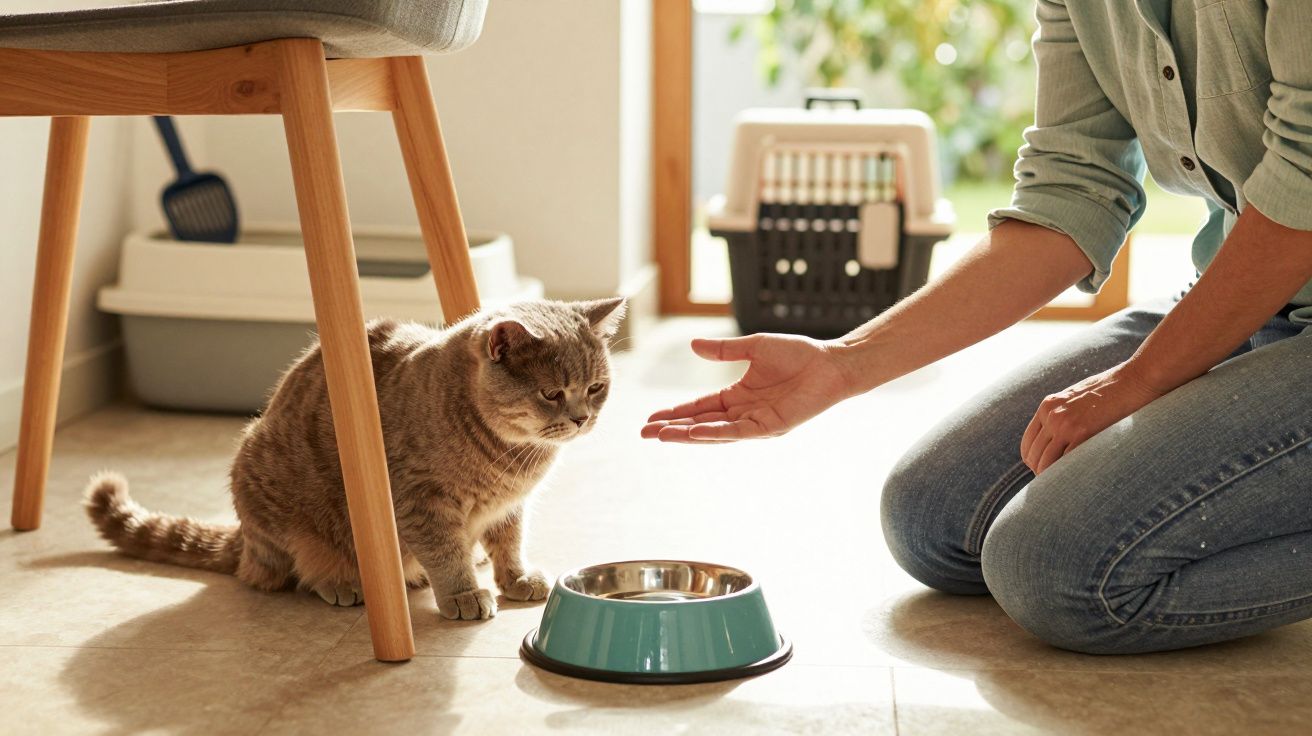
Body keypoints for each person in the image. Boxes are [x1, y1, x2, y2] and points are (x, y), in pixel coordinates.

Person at [641, 0, 1312, 655]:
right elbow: (1071, 191)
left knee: (1053, 572)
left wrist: (1138, 381)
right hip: (1248, 299)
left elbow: (1304, 183)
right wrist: (843, 364)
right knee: (931, 520)